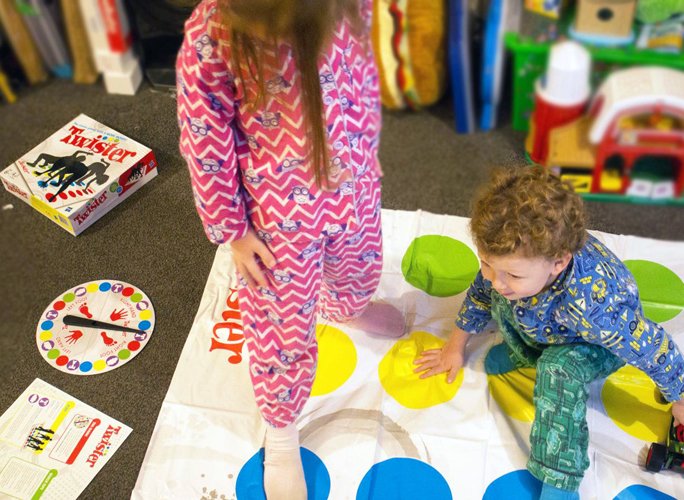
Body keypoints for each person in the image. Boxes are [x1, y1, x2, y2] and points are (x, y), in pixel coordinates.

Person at [176, 1, 403, 498]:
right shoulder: (211, 35)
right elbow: (204, 142)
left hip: (352, 181)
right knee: (283, 327)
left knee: (360, 270)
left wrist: (366, 150)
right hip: (277, 217)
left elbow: (360, 69)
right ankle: (280, 432)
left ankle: (345, 308)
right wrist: (231, 230)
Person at [414, 167, 684, 500]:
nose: (495, 278)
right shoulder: (512, 266)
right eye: (485, 262)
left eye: (511, 273)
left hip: (594, 345)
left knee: (558, 370)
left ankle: (561, 481)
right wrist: (455, 346)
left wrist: (679, 398)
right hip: (546, 321)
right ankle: (525, 353)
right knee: (502, 297)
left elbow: (655, 347)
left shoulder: (594, 307)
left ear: (558, 263)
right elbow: (483, 292)